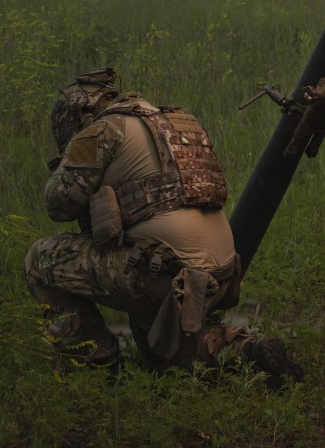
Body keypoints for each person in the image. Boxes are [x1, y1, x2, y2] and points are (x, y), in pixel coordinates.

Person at [25, 69, 302, 387]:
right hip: (219, 273)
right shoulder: (177, 122)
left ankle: (95, 371)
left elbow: (58, 204)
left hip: (163, 273)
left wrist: (66, 160)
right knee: (165, 360)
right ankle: (247, 350)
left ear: (77, 115)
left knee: (40, 260)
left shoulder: (101, 130)